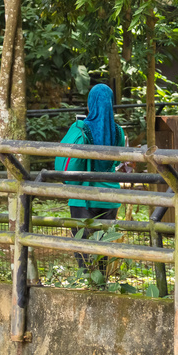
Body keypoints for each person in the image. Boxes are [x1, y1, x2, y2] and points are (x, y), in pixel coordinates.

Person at [54, 83, 126, 273]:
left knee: (83, 245)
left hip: (82, 195)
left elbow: (63, 154)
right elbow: (118, 161)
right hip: (109, 197)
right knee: (103, 244)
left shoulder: (81, 128)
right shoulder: (118, 131)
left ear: (90, 103)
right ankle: (101, 281)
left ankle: (87, 280)